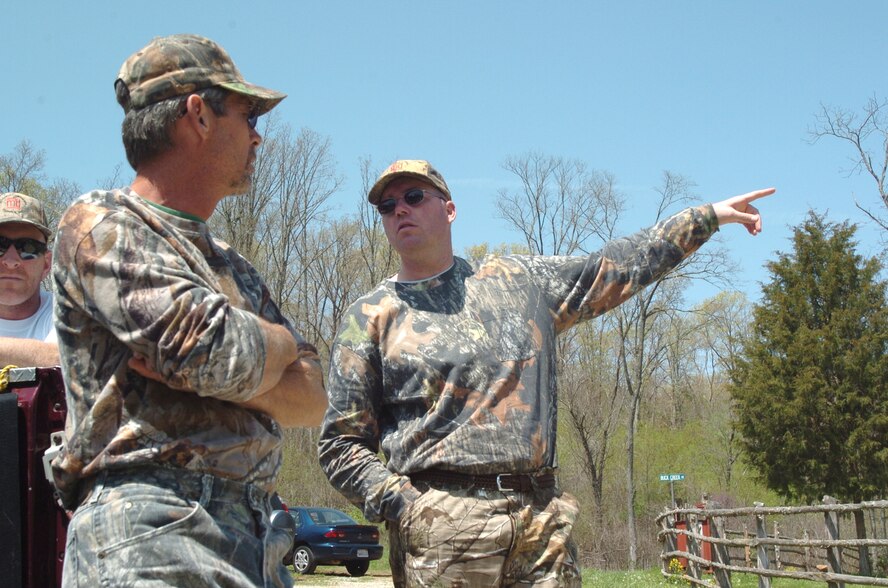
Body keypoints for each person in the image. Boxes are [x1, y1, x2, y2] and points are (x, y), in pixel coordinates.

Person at [318, 159, 775, 587]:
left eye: (414, 196)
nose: (400, 209)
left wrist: (707, 217)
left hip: (542, 523)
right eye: (387, 206)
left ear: (450, 209)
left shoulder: (519, 282)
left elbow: (613, 266)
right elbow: (340, 444)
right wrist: (406, 506)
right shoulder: (371, 316)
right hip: (443, 529)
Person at [51, 34, 327, 588]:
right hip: (151, 530)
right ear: (198, 115)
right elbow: (209, 352)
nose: (258, 137)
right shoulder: (101, 223)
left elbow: (312, 397)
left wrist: (238, 363)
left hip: (256, 537)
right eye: (249, 116)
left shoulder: (232, 263)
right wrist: (278, 347)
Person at [0, 192, 60, 366]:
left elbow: (67, 357)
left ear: (46, 265)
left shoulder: (67, 311)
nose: (11, 261)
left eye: (28, 248)